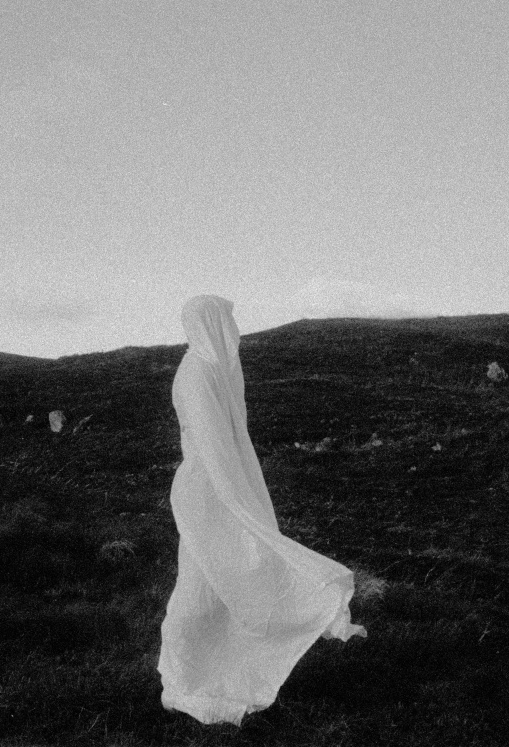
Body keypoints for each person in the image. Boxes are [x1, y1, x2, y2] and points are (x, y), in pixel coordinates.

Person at [158, 295, 366, 726]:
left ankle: (213, 665)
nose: (233, 329)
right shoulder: (196, 375)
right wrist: (241, 506)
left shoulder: (218, 370)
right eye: (226, 320)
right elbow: (212, 449)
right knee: (200, 584)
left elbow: (230, 446)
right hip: (208, 494)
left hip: (224, 487)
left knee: (232, 575)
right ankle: (186, 678)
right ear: (209, 324)